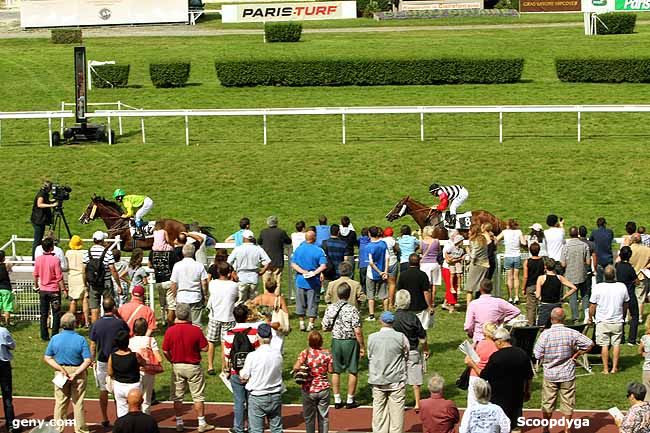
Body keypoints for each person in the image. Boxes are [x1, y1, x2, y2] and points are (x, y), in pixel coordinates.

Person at [534, 308, 594, 433]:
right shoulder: (571, 333)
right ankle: (567, 429)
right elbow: (590, 344)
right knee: (568, 403)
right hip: (567, 373)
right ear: (564, 319)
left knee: (548, 403)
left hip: (550, 373)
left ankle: (546, 428)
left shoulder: (545, 334)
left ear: (551, 319)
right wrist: (577, 354)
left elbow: (537, 355)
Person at [162, 303, 213, 433]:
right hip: (193, 366)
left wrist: (171, 361)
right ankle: (201, 423)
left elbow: (165, 350)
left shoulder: (170, 331)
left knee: (177, 396)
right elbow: (205, 348)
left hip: (177, 366)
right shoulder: (196, 330)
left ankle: (179, 422)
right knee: (198, 396)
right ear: (188, 314)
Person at [43, 313, 92, 433]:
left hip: (61, 373)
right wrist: (76, 373)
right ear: (74, 324)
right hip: (78, 372)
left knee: (60, 402)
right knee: (78, 403)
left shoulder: (55, 338)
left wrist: (60, 369)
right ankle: (80, 429)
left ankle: (57, 429)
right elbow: (87, 360)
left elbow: (47, 357)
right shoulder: (80, 339)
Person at [321, 282, 365, 409]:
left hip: (336, 341)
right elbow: (357, 330)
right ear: (349, 294)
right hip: (350, 341)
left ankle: (337, 399)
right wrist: (362, 346)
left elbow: (324, 327)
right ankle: (350, 399)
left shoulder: (331, 308)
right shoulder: (353, 309)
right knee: (353, 370)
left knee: (336, 370)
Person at [480, 328, 533, 429]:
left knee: (499, 426)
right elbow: (529, 376)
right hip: (517, 395)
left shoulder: (496, 356)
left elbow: (484, 375)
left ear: (500, 341)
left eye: (494, 341)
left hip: (498, 397)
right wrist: (527, 391)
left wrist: (472, 364)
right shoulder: (522, 353)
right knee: (516, 425)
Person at [89, 297, 130, 427]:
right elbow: (127, 334)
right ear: (114, 307)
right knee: (118, 388)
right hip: (117, 358)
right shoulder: (120, 323)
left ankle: (104, 417)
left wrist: (91, 359)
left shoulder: (96, 324)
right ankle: (120, 417)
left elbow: (93, 344)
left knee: (103, 389)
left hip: (102, 359)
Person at [367, 311, 409, 433]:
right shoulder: (401, 337)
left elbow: (370, 356)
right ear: (393, 322)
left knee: (379, 414)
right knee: (397, 416)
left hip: (378, 380)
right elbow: (406, 354)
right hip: (397, 380)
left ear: (381, 321)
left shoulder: (372, 337)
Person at [240, 323, 284, 433]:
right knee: (277, 429)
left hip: (257, 396)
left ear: (257, 336)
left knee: (256, 430)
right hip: (275, 394)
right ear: (270, 336)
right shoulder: (277, 354)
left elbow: (244, 375)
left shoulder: (253, 356)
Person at [223, 304, 260, 433]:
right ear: (247, 316)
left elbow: (227, 355)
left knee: (238, 402)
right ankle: (252, 427)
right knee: (251, 401)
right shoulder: (254, 332)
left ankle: (238, 428)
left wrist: (227, 370)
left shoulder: (229, 333)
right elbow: (257, 352)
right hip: (251, 373)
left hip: (235, 371)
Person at [589, 264, 629, 374]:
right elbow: (625, 304)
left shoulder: (598, 287)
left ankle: (606, 368)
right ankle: (614, 368)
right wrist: (624, 316)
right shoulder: (622, 286)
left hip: (602, 321)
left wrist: (590, 317)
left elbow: (592, 305)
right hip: (617, 320)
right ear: (614, 275)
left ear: (604, 275)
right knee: (616, 344)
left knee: (604, 345)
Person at [393, 290, 429, 412]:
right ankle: (417, 403)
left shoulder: (393, 318)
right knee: (416, 378)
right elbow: (422, 336)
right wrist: (425, 349)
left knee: (399, 378)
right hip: (413, 350)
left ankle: (400, 402)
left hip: (397, 351)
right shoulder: (413, 317)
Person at [293, 331, 333, 433]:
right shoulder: (327, 353)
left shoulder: (305, 353)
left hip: (308, 389)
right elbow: (331, 370)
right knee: (324, 417)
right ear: (321, 341)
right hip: (323, 388)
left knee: (309, 417)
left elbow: (296, 367)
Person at [206, 262, 238, 376]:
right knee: (225, 342)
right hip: (228, 316)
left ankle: (210, 365)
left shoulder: (213, 284)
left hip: (215, 316)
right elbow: (236, 297)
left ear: (218, 272)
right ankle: (225, 366)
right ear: (229, 273)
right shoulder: (234, 285)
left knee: (211, 341)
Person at [292, 230, 327, 332]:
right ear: (314, 238)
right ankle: (310, 324)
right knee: (313, 303)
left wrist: (302, 271)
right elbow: (323, 265)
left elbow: (293, 264)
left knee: (300, 302)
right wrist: (314, 273)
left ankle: (302, 323)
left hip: (300, 280)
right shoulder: (319, 250)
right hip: (314, 281)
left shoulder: (298, 249)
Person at [464, 279, 520, 343]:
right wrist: (503, 320)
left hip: (479, 339)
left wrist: (470, 333)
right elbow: (516, 311)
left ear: (480, 289)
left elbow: (468, 326)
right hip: (495, 338)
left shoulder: (473, 304)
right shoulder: (499, 302)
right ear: (491, 289)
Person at [84, 231, 121, 324]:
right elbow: (113, 269)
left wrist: (85, 284)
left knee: (94, 308)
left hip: (93, 283)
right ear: (102, 240)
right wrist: (118, 284)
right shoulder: (108, 252)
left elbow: (84, 270)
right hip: (106, 282)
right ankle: (107, 325)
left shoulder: (87, 253)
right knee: (108, 305)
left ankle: (95, 329)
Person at [33, 237, 65, 341]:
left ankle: (44, 335)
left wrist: (36, 285)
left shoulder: (38, 259)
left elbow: (35, 274)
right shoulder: (55, 259)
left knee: (43, 314)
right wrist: (64, 289)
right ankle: (54, 334)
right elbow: (59, 276)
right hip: (54, 290)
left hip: (43, 290)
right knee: (56, 313)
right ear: (52, 247)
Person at [129, 318, 163, 414]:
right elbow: (159, 358)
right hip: (149, 372)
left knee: (135, 397)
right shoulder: (150, 340)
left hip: (135, 372)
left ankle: (135, 416)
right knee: (147, 398)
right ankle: (146, 416)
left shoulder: (130, 341)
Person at [227, 230, 271, 304]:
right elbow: (268, 261)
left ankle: (239, 314)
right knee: (252, 302)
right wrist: (263, 271)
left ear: (244, 238)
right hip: (254, 277)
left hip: (241, 277)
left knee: (240, 301)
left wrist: (233, 273)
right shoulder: (258, 248)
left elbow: (229, 262)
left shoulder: (238, 249)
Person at [109, 330, 145, 418]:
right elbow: (144, 363)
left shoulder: (112, 356)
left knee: (121, 411)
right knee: (136, 409)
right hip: (134, 386)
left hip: (119, 386)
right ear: (128, 342)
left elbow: (110, 372)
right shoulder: (135, 355)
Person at [171, 244, 209, 326]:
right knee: (196, 323)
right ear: (194, 252)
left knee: (182, 322)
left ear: (183, 252)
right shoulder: (199, 265)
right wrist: (205, 295)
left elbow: (174, 283)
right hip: (195, 296)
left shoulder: (177, 265)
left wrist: (174, 296)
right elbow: (204, 282)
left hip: (182, 297)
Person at [535, 258, 578, 328]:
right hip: (556, 305)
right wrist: (564, 296)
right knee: (557, 326)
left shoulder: (541, 278)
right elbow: (574, 288)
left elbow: (537, 295)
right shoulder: (559, 277)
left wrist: (539, 297)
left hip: (545, 306)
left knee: (542, 328)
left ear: (545, 267)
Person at [464, 322, 498, 407]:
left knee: (472, 403)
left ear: (484, 333)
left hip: (475, 376)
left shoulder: (478, 344)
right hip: (489, 377)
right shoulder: (497, 346)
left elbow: (466, 361)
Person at [561, 226, 590, 322]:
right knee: (585, 295)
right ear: (577, 233)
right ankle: (586, 315)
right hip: (582, 273)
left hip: (570, 274)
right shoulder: (584, 245)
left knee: (573, 296)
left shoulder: (566, 247)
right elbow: (588, 262)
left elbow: (563, 263)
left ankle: (575, 317)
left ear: (569, 234)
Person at [397, 254, 434, 329]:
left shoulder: (403, 275)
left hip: (407, 307)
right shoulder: (423, 275)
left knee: (408, 329)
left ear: (409, 262)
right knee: (422, 329)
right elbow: (426, 292)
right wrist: (430, 306)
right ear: (419, 262)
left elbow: (400, 291)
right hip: (420, 306)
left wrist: (398, 304)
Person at [258, 215, 291, 295]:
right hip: (278, 261)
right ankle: (276, 300)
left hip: (266, 262)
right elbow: (288, 241)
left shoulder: (263, 232)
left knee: (266, 282)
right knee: (277, 282)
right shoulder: (281, 232)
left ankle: (267, 300)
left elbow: (259, 242)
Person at [496, 219, 526, 304]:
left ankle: (510, 297)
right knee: (516, 277)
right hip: (517, 255)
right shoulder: (519, 232)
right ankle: (516, 296)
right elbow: (523, 242)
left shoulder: (505, 232)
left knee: (509, 277)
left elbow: (497, 239)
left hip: (508, 256)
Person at [366, 226, 389, 321]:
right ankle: (386, 313)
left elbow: (371, 263)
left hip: (372, 274)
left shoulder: (368, 246)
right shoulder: (383, 244)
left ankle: (372, 315)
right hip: (383, 273)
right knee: (384, 295)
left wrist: (380, 272)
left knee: (370, 294)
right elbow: (387, 258)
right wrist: (385, 272)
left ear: (369, 234)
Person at [617, 246, 639, 345]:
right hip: (629, 293)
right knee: (634, 316)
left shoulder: (617, 266)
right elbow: (637, 281)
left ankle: (620, 337)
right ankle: (632, 339)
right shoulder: (630, 268)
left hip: (620, 294)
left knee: (621, 316)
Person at [65, 235, 89, 327]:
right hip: (82, 276)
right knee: (85, 299)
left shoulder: (68, 252)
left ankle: (71, 322)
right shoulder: (85, 252)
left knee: (73, 300)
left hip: (72, 277)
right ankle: (87, 322)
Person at [31, 180, 57, 259]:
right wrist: (51, 205)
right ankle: (34, 259)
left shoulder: (44, 193)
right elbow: (39, 204)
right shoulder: (41, 194)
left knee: (39, 239)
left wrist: (51, 201)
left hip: (40, 219)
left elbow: (45, 201)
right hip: (38, 220)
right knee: (37, 240)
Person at [629, 233, 650, 324]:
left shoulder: (628, 249)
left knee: (629, 297)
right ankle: (640, 317)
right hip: (642, 276)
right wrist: (646, 266)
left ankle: (628, 316)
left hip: (630, 276)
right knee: (640, 298)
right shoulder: (647, 250)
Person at [466, 224, 489, 305]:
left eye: (469, 230)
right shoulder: (483, 239)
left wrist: (468, 251)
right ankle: (482, 305)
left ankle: (469, 306)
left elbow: (473, 255)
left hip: (476, 265)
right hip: (485, 265)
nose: (468, 232)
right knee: (481, 287)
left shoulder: (474, 241)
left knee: (470, 288)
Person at [522, 242, 544, 326]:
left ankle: (531, 324)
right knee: (541, 305)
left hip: (530, 286)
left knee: (531, 306)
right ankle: (542, 322)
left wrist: (523, 288)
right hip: (541, 285)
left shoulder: (527, 262)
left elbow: (525, 276)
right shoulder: (543, 260)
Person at [0, 324, 17, 433]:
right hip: (3, 365)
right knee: (7, 396)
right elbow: (12, 345)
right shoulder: (3, 331)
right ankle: (11, 425)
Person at [578, 225, 597, 323]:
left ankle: (576, 316)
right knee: (586, 293)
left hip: (577, 270)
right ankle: (587, 314)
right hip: (587, 270)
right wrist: (595, 269)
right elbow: (594, 257)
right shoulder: (591, 244)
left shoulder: (577, 243)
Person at [441, 234, 464, 313]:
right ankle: (451, 306)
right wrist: (454, 259)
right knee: (451, 287)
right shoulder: (449, 245)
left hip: (452, 266)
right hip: (448, 268)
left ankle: (445, 303)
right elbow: (446, 256)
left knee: (453, 285)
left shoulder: (458, 248)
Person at [321, 224, 348, 291]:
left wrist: (321, 272)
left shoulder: (325, 243)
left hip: (327, 271)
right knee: (339, 293)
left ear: (330, 232)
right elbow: (346, 259)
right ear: (338, 232)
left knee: (328, 293)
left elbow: (322, 259)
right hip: (339, 272)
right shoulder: (343, 244)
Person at [418, 226, 440, 308]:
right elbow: (438, 251)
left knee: (426, 285)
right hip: (434, 263)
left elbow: (421, 251)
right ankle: (433, 301)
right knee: (434, 284)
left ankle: (427, 301)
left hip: (425, 264)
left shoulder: (422, 242)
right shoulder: (436, 241)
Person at [590, 217, 614, 283]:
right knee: (610, 282)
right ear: (604, 224)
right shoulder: (609, 232)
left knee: (599, 283)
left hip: (599, 260)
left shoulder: (594, 232)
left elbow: (590, 240)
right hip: (608, 260)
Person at [382, 227, 399, 305]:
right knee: (392, 283)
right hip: (392, 262)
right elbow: (398, 250)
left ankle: (384, 301)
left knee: (384, 283)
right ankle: (391, 303)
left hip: (383, 263)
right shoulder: (393, 241)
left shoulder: (381, 241)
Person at [0, 251, 15, 326]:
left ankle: (1, 322)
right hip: (6, 288)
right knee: (7, 307)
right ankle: (7, 323)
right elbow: (10, 268)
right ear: (3, 258)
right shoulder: (6, 265)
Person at [639, 316, 650, 400]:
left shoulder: (645, 338)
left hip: (647, 369)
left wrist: (645, 355)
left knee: (647, 392)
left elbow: (640, 351)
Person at [358, 227, 371, 295]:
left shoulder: (360, 240)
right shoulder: (370, 240)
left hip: (362, 265)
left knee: (362, 282)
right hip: (369, 264)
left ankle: (363, 295)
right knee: (369, 282)